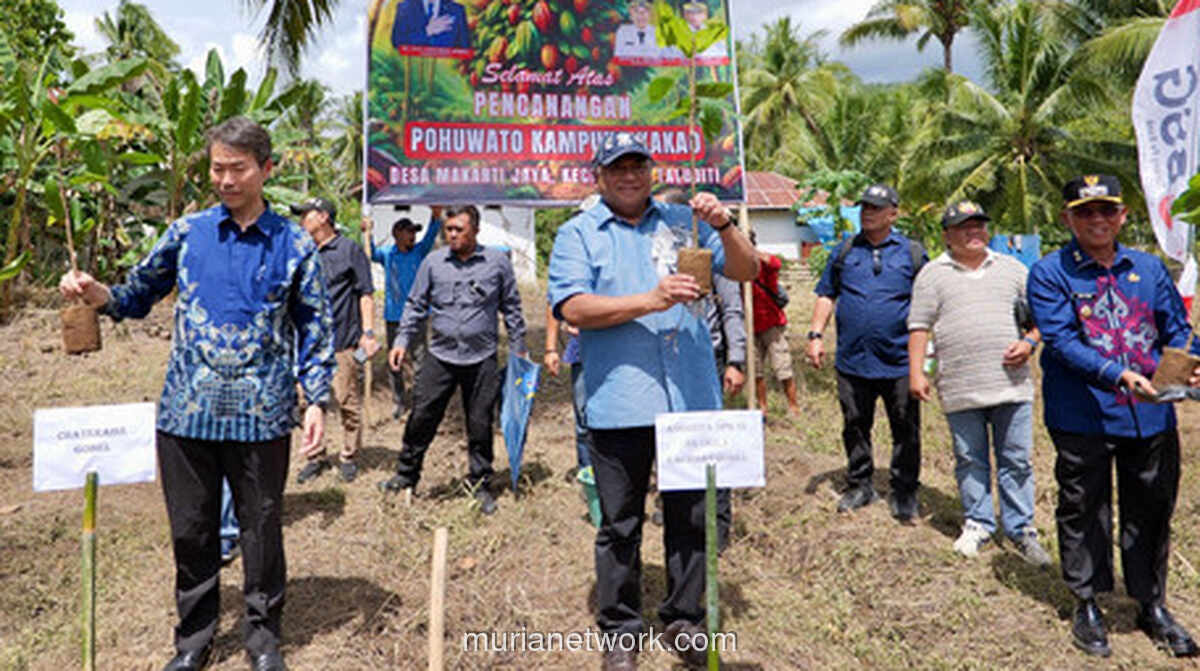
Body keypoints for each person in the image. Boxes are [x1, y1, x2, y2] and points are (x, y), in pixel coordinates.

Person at [58, 116, 334, 671]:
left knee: (260, 530)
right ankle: (194, 640)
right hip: (187, 413)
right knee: (191, 531)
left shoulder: (295, 245)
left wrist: (317, 399)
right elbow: (136, 295)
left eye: (237, 168)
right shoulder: (187, 234)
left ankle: (262, 638)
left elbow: (315, 324)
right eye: (217, 168)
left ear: (265, 169)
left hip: (262, 414)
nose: (226, 180)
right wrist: (94, 292)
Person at [547, 131, 757, 671]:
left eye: (638, 166)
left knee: (691, 516)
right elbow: (573, 308)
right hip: (619, 399)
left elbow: (747, 270)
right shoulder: (579, 234)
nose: (629, 176)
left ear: (652, 171)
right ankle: (620, 627)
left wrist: (724, 226)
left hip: (691, 399)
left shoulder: (682, 222)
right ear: (599, 175)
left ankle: (684, 619)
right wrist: (652, 298)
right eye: (617, 168)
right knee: (620, 522)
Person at [1028, 174, 1200, 659]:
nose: (1097, 220)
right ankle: (1087, 602)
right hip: (1083, 413)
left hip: (1150, 414)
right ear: (1068, 218)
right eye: (1085, 212)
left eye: (1107, 210)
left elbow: (1177, 329)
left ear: (1124, 215)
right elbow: (1060, 341)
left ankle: (1151, 604)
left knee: (1151, 507)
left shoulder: (1147, 269)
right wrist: (1117, 374)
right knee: (1084, 508)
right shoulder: (1049, 273)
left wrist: (1193, 361)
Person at [906, 200, 1052, 566]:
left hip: (1011, 384)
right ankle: (978, 522)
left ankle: (1021, 530)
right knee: (970, 458)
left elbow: (1041, 320)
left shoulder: (1014, 269)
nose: (974, 233)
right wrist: (916, 372)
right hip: (960, 385)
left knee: (1015, 459)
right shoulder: (932, 274)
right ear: (947, 235)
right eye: (964, 227)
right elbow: (919, 326)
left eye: (979, 226)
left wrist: (1030, 342)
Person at [378, 205, 527, 516]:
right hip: (441, 356)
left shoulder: (496, 263)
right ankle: (406, 475)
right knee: (421, 417)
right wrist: (402, 341)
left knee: (480, 423)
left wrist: (519, 347)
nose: (453, 235)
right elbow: (416, 305)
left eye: (459, 229)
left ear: (475, 229)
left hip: (481, 358)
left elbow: (511, 308)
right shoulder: (433, 263)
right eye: (449, 230)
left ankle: (481, 484)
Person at [807, 183, 926, 520]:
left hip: (900, 360)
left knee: (906, 427)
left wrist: (929, 354)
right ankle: (860, 484)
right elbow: (826, 294)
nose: (867, 213)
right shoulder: (845, 251)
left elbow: (929, 303)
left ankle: (904, 490)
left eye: (875, 208)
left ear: (893, 214)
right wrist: (815, 335)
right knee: (855, 423)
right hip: (853, 359)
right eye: (864, 207)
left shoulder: (912, 253)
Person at [293, 196, 378, 485]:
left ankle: (348, 456)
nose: (301, 220)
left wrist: (368, 334)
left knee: (346, 400)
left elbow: (365, 293)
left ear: (324, 217)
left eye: (306, 214)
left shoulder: (349, 250)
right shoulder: (301, 251)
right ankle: (315, 456)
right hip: (307, 344)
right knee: (307, 403)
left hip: (342, 340)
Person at [365, 209, 443, 419]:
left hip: (417, 316)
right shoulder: (388, 254)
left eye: (414, 232)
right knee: (395, 362)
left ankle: (420, 401)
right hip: (393, 317)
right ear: (397, 233)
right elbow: (370, 252)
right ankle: (398, 401)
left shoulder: (419, 251)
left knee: (419, 360)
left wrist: (436, 215)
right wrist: (368, 232)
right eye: (409, 232)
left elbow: (431, 234)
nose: (413, 236)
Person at [749, 231, 800, 416]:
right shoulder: (736, 264)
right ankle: (762, 407)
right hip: (750, 325)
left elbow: (776, 263)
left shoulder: (764, 261)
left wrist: (751, 252)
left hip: (772, 323)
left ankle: (793, 406)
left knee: (782, 366)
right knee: (756, 369)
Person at [391, 0, 470, 50]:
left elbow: (464, 47)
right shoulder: (405, 8)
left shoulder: (457, 10)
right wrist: (426, 32)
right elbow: (397, 41)